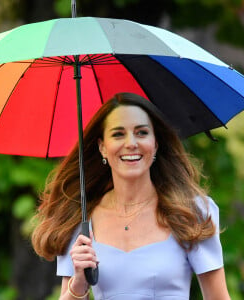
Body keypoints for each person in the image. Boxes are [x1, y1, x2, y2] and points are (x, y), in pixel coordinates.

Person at [31, 92, 231, 300]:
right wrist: (78, 285)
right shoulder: (79, 220)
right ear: (102, 148)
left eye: (141, 132)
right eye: (118, 134)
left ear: (155, 144)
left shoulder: (192, 212)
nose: (131, 143)